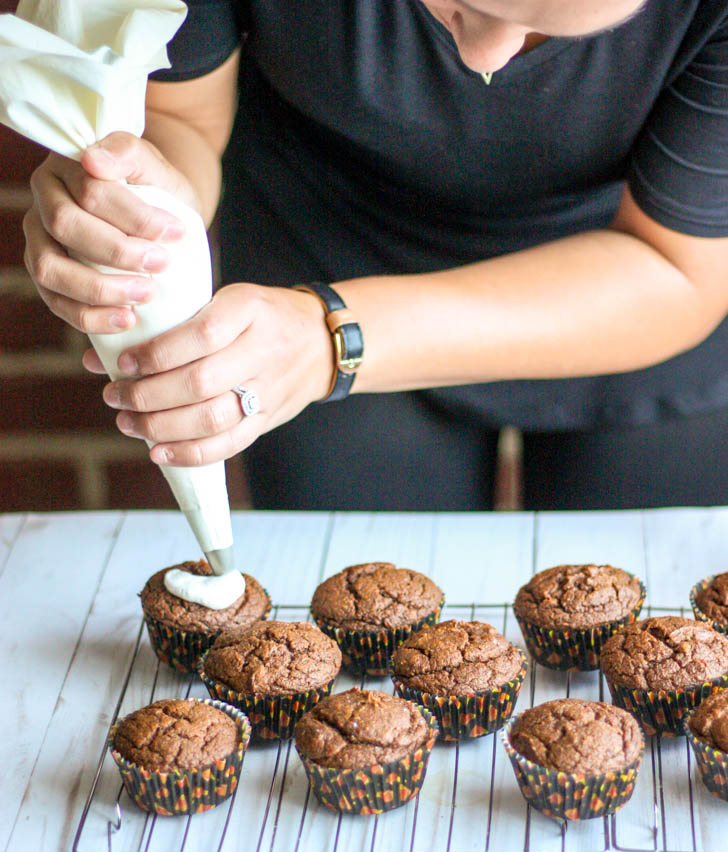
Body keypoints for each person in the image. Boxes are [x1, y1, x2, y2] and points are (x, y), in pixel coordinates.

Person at [21, 0, 728, 511]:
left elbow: (676, 267)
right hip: (317, 254)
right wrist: (145, 204)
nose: (484, 60)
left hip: (628, 300)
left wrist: (337, 336)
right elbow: (182, 116)